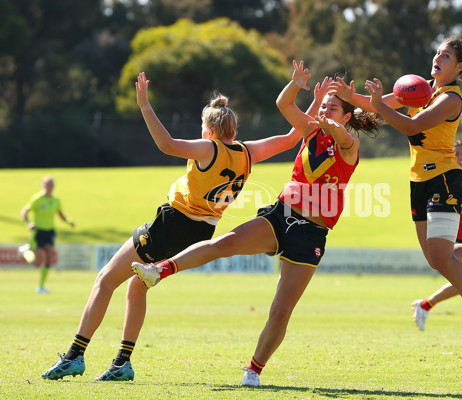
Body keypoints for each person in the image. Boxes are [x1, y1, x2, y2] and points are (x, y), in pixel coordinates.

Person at [41, 70, 324, 381]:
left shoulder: (209, 149)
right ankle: (122, 363)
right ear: (234, 128)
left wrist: (145, 106)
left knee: (106, 279)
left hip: (172, 224)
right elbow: (290, 138)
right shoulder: (247, 152)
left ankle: (74, 356)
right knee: (137, 285)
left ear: (210, 131)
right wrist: (314, 101)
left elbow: (167, 144)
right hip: (200, 235)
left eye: (203, 127)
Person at [130, 60, 382, 386]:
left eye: (333, 108)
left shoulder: (349, 143)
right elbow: (283, 104)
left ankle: (254, 370)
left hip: (312, 233)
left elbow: (344, 140)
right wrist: (295, 85)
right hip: (282, 215)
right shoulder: (312, 129)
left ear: (346, 116)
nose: (325, 111)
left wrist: (326, 124)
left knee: (281, 311)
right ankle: (159, 271)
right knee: (225, 244)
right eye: (323, 106)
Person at [330, 37, 462, 355]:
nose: (438, 58)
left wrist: (376, 104)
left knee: (443, 258)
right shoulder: (419, 89)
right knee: (436, 258)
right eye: (437, 52)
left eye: (446, 56)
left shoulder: (450, 99)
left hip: (444, 180)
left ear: (460, 67)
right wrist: (353, 97)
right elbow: (380, 103)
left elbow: (410, 125)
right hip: (418, 180)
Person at [410, 140, 462, 337]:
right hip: (456, 237)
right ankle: (427, 305)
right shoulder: (449, 177)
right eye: (458, 153)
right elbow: (447, 206)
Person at [18, 176, 75, 294]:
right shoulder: (37, 199)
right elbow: (24, 211)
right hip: (38, 232)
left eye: (52, 184)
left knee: (49, 257)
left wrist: (69, 222)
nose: (50, 187)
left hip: (49, 232)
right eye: (48, 184)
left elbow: (60, 213)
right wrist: (28, 223)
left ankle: (41, 286)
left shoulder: (56, 200)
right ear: (43, 185)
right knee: (38, 263)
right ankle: (25, 252)